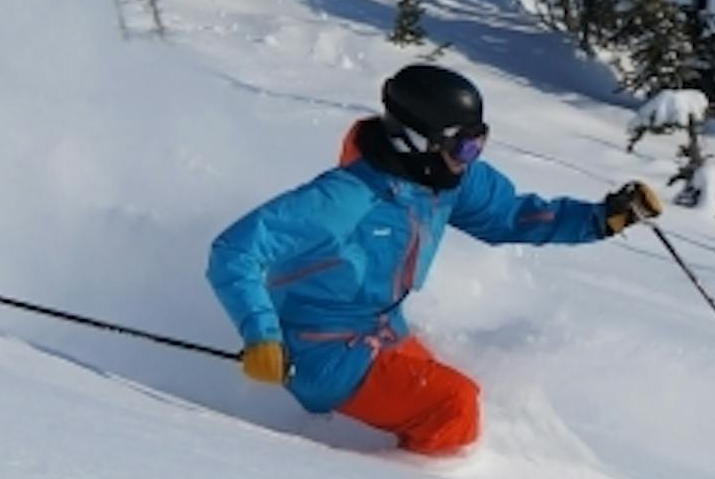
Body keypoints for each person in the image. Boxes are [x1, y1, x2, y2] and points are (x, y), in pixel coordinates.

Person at [207, 65, 661, 456]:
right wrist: (262, 337)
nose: (473, 156)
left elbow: (512, 215)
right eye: (465, 145)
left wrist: (601, 219)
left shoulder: (444, 181)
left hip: (382, 332)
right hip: (320, 352)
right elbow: (235, 251)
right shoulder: (345, 198)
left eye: (479, 142)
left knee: (474, 391)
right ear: (417, 141)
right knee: (455, 408)